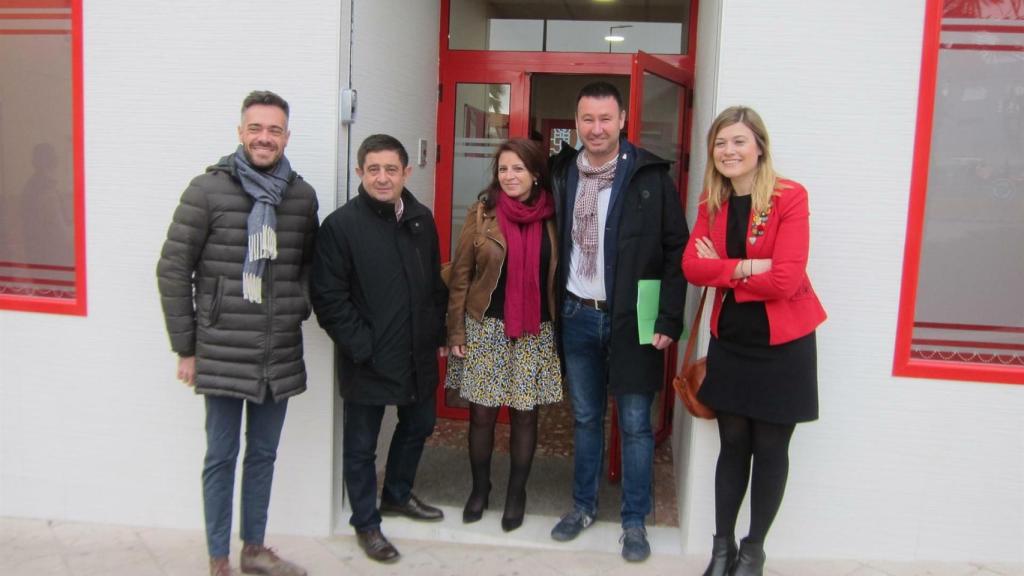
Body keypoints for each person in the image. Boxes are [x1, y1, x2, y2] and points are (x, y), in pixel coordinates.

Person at [157, 90, 318, 576]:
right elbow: (172, 268)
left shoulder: (301, 196)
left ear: (287, 136)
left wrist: (297, 304)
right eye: (256, 128)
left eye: (274, 130)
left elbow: (307, 265)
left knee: (263, 456)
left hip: (278, 351)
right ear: (240, 132)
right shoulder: (207, 190)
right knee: (221, 456)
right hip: (221, 348)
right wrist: (186, 348)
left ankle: (253, 548)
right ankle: (218, 559)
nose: (264, 138)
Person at [682, 106, 826, 576]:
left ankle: (753, 552)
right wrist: (747, 266)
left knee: (770, 452)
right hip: (733, 345)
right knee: (732, 447)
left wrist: (723, 267)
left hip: (783, 348)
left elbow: (786, 280)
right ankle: (720, 549)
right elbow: (691, 268)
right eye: (721, 143)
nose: (729, 151)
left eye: (739, 141)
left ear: (759, 146)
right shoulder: (712, 203)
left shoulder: (789, 197)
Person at [548, 81, 688, 562]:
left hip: (633, 321)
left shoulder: (650, 177)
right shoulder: (563, 172)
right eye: (587, 119)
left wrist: (670, 316)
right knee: (586, 418)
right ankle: (583, 506)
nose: (596, 128)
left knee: (634, 424)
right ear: (576, 121)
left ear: (623, 119)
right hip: (577, 315)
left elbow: (676, 251)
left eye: (606, 119)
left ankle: (634, 520)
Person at [310, 134, 448, 564]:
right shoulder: (340, 226)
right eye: (374, 169)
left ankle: (398, 494)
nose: (383, 177)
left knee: (420, 423)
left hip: (417, 352)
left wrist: (437, 334)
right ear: (359, 173)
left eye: (392, 169)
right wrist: (361, 346)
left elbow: (433, 287)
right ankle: (367, 523)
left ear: (408, 172)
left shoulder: (421, 219)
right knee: (361, 446)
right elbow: (328, 298)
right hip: (366, 357)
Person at [445, 138, 562, 532]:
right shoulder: (481, 215)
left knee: (526, 416)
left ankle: (517, 492)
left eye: (518, 169)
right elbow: (460, 276)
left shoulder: (554, 217)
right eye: (503, 169)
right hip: (487, 329)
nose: (510, 176)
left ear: (535, 174)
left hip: (535, 331)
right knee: (481, 416)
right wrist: (456, 328)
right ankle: (480, 489)